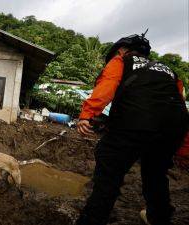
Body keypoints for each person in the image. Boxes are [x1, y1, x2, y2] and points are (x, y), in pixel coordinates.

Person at [75, 34, 188, 225]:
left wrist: (87, 114)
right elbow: (179, 108)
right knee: (155, 174)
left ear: (121, 51)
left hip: (134, 124)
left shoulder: (121, 61)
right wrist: (183, 151)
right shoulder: (169, 71)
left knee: (108, 176)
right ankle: (158, 218)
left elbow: (106, 87)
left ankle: (91, 220)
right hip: (171, 130)